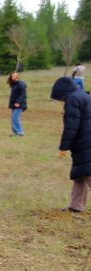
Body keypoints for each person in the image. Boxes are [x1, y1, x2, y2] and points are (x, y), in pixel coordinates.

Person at [50, 76, 91, 213]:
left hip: (84, 142)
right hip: (83, 141)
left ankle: (76, 206)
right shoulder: (82, 95)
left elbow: (71, 126)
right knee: (80, 174)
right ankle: (76, 206)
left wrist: (64, 146)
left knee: (88, 172)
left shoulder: (73, 99)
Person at [7, 71, 27, 136]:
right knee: (13, 118)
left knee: (15, 118)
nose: (14, 77)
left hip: (19, 104)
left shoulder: (20, 84)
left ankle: (20, 132)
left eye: (15, 76)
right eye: (12, 76)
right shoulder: (14, 84)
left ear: (18, 76)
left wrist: (18, 102)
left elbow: (22, 94)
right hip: (14, 104)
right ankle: (15, 132)